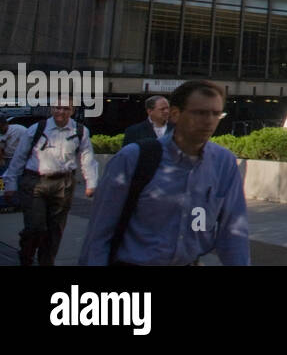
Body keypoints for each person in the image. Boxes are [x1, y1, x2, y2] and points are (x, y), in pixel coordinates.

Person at [79, 80, 249, 266]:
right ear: (175, 114)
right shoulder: (134, 158)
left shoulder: (223, 163)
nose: (209, 120)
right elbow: (100, 232)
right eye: (200, 113)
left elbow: (234, 233)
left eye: (216, 114)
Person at [0, 104, 96, 265]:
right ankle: (26, 255)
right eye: (58, 107)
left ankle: (47, 261)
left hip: (63, 183)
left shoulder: (80, 131)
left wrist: (91, 182)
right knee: (35, 227)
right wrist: (10, 185)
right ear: (52, 109)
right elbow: (19, 157)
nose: (61, 111)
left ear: (72, 111)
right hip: (35, 181)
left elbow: (87, 157)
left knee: (55, 229)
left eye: (66, 108)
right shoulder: (37, 128)